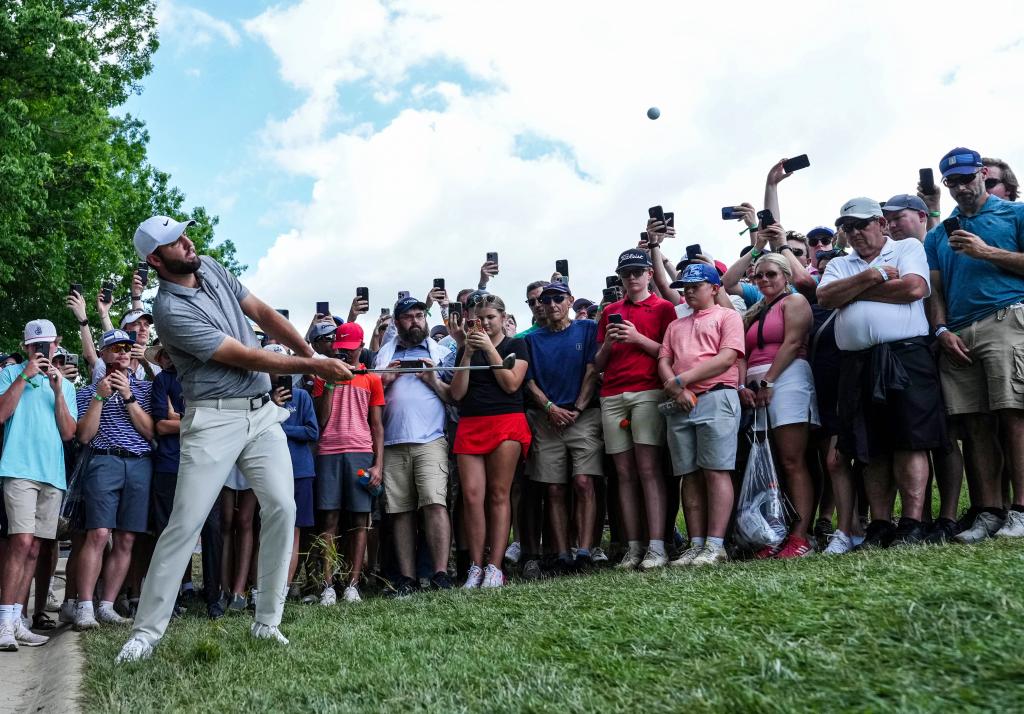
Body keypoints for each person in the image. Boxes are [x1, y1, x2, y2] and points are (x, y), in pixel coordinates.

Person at [116, 216, 350, 662]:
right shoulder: (169, 311)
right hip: (212, 420)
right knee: (185, 522)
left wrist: (310, 353)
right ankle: (146, 633)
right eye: (174, 242)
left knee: (283, 506)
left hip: (262, 415)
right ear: (154, 259)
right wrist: (314, 367)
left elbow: (261, 313)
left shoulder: (210, 266)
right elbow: (240, 356)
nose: (187, 242)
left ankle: (267, 622)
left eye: (183, 234)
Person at [818, 197, 946, 547]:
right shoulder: (842, 263)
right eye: (847, 227)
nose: (855, 232)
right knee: (869, 445)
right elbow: (827, 297)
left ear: (881, 223)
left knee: (910, 438)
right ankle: (881, 523)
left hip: (905, 354)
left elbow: (914, 288)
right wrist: (872, 276)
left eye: (861, 224)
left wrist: (854, 292)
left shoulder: (906, 247)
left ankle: (912, 522)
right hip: (857, 361)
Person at [925, 148, 1024, 541]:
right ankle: (989, 511)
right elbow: (935, 289)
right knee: (975, 424)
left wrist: (985, 251)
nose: (961, 187)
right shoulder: (939, 232)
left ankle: (1021, 510)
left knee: (1013, 414)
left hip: (1006, 317)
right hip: (959, 332)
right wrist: (940, 329)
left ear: (983, 173)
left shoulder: (1014, 213)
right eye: (953, 182)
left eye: (967, 178)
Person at [657, 265, 744, 566]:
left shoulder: (727, 316)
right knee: (689, 475)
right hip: (682, 403)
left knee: (716, 469)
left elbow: (727, 358)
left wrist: (681, 381)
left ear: (715, 288)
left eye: (697, 285)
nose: (689, 290)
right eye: (685, 286)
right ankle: (696, 544)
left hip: (716, 396)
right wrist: (675, 388)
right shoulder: (676, 325)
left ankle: (715, 544)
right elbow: (664, 360)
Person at [596, 248, 677, 570]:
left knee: (648, 470)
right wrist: (609, 344)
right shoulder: (611, 310)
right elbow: (598, 363)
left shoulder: (664, 307)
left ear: (649, 274)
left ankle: (656, 545)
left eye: (637, 272)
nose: (631, 278)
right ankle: (634, 546)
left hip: (648, 390)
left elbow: (670, 354)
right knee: (624, 474)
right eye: (625, 273)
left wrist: (637, 338)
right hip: (612, 393)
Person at [0, 320, 77, 651]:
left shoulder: (65, 385)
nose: (41, 352)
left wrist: (58, 390)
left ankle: (17, 619)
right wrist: (24, 375)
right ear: (26, 347)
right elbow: (1, 414)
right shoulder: (9, 374)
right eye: (35, 347)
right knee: (20, 542)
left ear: (55, 346)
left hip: (52, 475)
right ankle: (3, 622)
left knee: (35, 548)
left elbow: (69, 433)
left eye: (46, 346)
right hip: (18, 468)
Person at [73, 329, 154, 630]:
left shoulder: (145, 390)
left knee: (127, 537)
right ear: (104, 354)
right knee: (98, 533)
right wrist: (99, 397)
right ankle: (84, 606)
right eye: (115, 348)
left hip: (139, 463)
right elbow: (84, 435)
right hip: (104, 460)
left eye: (126, 347)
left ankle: (106, 605)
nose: (122, 352)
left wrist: (128, 396)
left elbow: (151, 432)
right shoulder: (86, 391)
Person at [739, 251, 819, 558]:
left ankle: (801, 536)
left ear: (786, 276)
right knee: (770, 463)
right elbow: (742, 353)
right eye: (759, 275)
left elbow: (793, 342)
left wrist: (769, 380)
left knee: (792, 459)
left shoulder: (794, 301)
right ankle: (778, 532)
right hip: (758, 384)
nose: (764, 280)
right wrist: (746, 384)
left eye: (771, 274)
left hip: (786, 377)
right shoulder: (756, 309)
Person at [375, 296, 453, 596]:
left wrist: (432, 379)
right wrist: (385, 381)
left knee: (435, 503)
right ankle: (407, 578)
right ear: (397, 323)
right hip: (393, 442)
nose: (415, 321)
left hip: (431, 439)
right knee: (400, 511)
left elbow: (453, 397)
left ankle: (441, 573)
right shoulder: (382, 356)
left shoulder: (442, 353)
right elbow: (371, 401)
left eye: (420, 315)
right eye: (408, 317)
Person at [451, 294, 530, 588]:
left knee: (499, 494)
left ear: (502, 317)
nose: (483, 323)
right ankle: (475, 565)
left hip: (506, 421)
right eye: (478, 318)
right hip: (471, 423)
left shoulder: (516, 345)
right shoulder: (465, 349)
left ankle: (495, 567)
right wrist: (469, 354)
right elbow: (457, 394)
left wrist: (490, 351)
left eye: (490, 318)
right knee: (472, 497)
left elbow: (511, 384)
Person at [523, 282, 601, 571]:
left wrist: (578, 408)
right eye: (546, 299)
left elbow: (593, 370)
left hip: (583, 414)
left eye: (559, 298)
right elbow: (529, 381)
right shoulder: (532, 339)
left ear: (569, 300)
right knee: (554, 488)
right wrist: (550, 408)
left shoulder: (587, 329)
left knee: (584, 482)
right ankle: (561, 554)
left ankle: (584, 550)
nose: (552, 304)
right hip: (548, 419)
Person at [311, 323, 382, 604]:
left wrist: (379, 465)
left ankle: (353, 584)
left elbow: (377, 426)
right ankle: (328, 585)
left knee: (359, 519)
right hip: (329, 451)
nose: (347, 355)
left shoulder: (371, 379)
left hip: (361, 452)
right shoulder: (322, 376)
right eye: (342, 350)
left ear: (362, 347)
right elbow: (322, 420)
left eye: (352, 350)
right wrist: (330, 380)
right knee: (329, 518)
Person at [267, 350, 319, 602]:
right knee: (268, 530)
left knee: (294, 531)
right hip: (269, 470)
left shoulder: (302, 396)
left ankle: (283, 590)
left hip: (300, 470)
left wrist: (282, 425)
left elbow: (312, 431)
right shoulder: (262, 398)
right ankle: (263, 588)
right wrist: (272, 408)